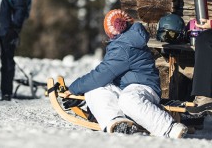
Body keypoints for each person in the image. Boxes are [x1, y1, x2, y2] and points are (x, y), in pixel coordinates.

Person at [63, 9, 188, 138]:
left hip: (143, 88)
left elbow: (101, 74)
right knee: (94, 90)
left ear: (110, 32)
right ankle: (117, 122)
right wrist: (83, 91)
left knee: (128, 100)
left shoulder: (124, 47)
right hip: (125, 87)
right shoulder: (127, 40)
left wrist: (74, 88)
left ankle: (168, 128)